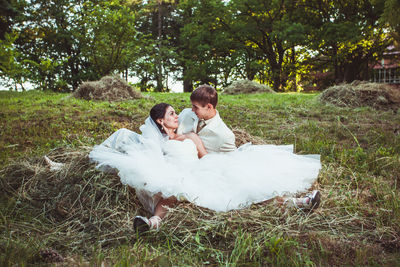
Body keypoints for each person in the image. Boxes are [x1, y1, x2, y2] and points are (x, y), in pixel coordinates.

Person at [88, 85, 322, 233]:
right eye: (172, 113)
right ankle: (152, 224)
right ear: (161, 121)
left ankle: (300, 202)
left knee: (244, 187)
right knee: (170, 192)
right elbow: (142, 157)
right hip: (176, 174)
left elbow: (205, 157)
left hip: (203, 168)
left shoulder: (190, 135)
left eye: (178, 111)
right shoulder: (154, 143)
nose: (179, 113)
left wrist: (212, 169)